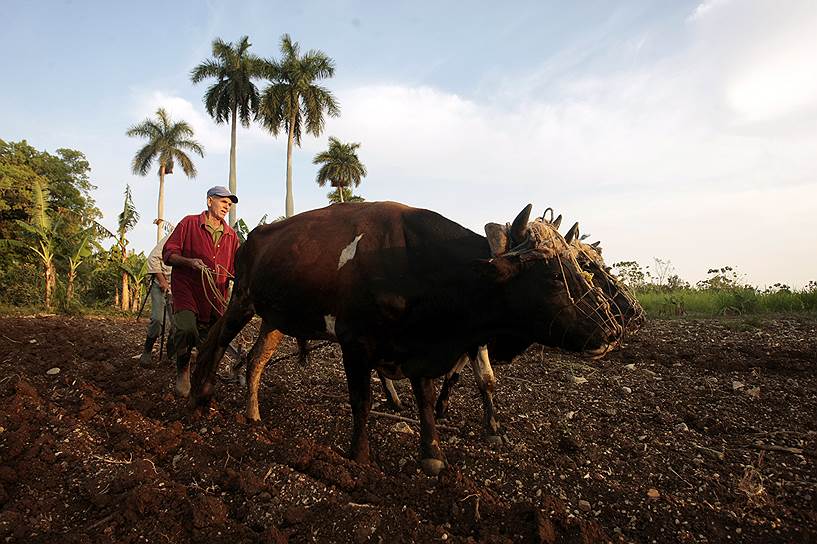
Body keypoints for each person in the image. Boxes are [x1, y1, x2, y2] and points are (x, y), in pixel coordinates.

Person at [163, 186, 240, 396]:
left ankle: (202, 376)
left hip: (215, 296)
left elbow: (234, 268)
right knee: (187, 328)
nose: (227, 206)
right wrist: (189, 262)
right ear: (209, 201)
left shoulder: (231, 236)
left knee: (210, 342)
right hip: (187, 289)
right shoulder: (189, 223)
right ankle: (183, 370)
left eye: (229, 204)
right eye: (223, 202)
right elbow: (168, 254)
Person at [139, 226, 174, 368]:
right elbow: (153, 258)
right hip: (161, 281)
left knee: (178, 324)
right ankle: (147, 351)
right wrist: (163, 281)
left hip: (178, 285)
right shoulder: (171, 239)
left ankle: (171, 355)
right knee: (157, 320)